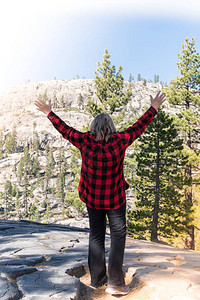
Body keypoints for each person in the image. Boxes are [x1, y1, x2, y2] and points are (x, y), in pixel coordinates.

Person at [35, 91, 166, 296]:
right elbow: (139, 126)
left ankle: (97, 280)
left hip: (93, 199)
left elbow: (65, 130)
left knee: (96, 236)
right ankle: (115, 282)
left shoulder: (84, 140)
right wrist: (154, 108)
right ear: (111, 127)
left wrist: (49, 112)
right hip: (115, 199)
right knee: (118, 236)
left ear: (93, 127)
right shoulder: (121, 140)